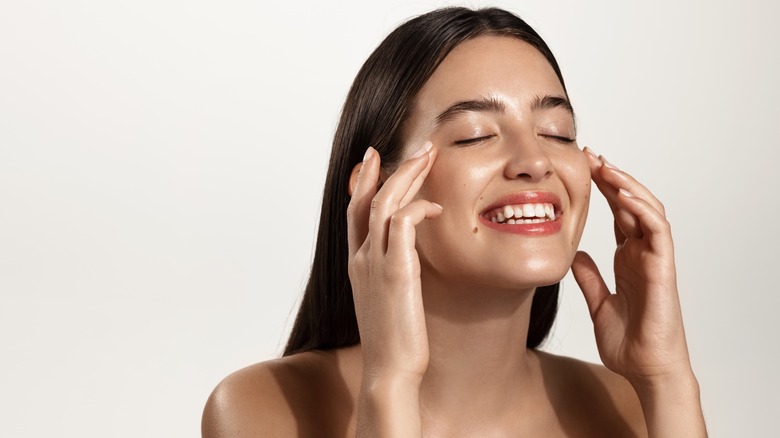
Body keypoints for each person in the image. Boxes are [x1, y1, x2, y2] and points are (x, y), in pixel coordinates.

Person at [202, 7, 707, 437]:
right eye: (474, 135)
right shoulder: (262, 410)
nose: (534, 160)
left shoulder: (629, 407)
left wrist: (667, 378)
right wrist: (390, 383)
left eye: (558, 132)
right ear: (375, 188)